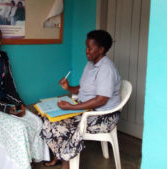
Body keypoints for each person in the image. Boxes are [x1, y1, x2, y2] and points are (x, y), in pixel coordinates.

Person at [0, 20, 49, 169]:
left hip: (4, 103)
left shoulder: (3, 57)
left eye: (1, 38)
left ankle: (28, 158)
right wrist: (7, 109)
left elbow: (10, 86)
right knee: (17, 127)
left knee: (35, 121)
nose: (0, 42)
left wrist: (19, 104)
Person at [40, 30, 121, 169]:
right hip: (87, 108)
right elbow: (83, 88)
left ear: (101, 50)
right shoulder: (90, 64)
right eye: (86, 47)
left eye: (90, 48)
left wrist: (71, 107)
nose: (86, 51)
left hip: (103, 115)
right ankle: (59, 157)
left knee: (63, 124)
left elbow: (101, 100)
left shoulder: (106, 68)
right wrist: (68, 88)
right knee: (46, 118)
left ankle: (66, 164)